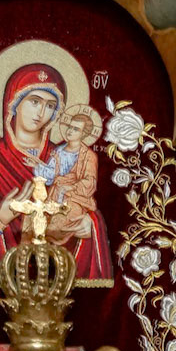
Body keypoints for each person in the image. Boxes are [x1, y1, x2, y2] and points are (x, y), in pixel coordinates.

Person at [0, 60, 111, 284]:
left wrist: (90, 227)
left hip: (58, 283)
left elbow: (85, 204)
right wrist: (0, 221)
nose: (41, 112)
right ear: (14, 104)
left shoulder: (64, 158)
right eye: (34, 101)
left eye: (50, 106)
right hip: (6, 289)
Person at [45, 105, 110, 281]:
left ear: (83, 134)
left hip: (77, 199)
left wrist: (71, 188)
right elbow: (56, 174)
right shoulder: (57, 151)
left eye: (76, 129)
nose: (70, 131)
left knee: (56, 225)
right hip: (55, 194)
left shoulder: (88, 156)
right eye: (70, 127)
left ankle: (60, 264)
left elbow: (90, 182)